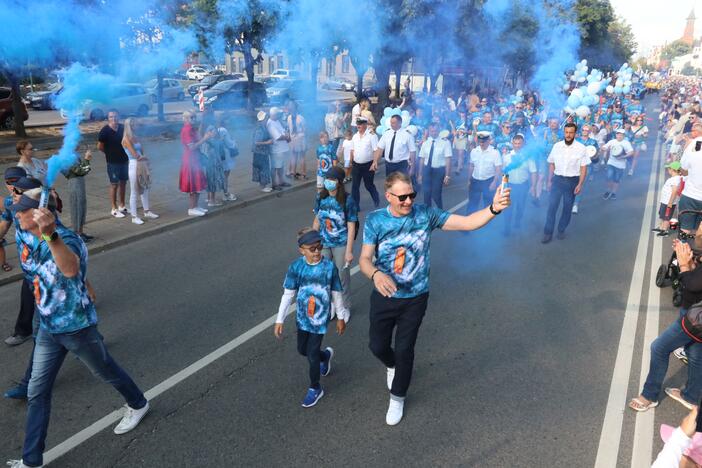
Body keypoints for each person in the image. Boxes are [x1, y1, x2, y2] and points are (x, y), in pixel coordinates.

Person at [6, 188, 149, 468]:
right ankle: (31, 459)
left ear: (41, 214)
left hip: (76, 328)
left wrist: (51, 234)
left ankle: (139, 404)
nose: (18, 213)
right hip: (48, 327)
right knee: (37, 392)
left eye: (23, 209)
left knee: (105, 370)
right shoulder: (31, 237)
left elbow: (70, 269)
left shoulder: (64, 238)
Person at [360, 172, 510, 425]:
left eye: (411, 195)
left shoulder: (425, 215)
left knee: (406, 349)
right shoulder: (376, 221)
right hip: (385, 295)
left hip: (415, 297)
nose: (408, 201)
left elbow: (468, 222)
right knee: (377, 346)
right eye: (402, 197)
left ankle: (397, 397)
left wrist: (494, 208)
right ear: (389, 196)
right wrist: (375, 275)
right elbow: (364, 259)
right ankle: (392, 365)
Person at [274, 228, 349, 408]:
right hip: (303, 317)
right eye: (312, 249)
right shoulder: (296, 267)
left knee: (312, 354)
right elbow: (288, 295)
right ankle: (326, 356)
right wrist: (279, 319)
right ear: (302, 250)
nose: (317, 252)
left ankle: (315, 388)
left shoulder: (329, 267)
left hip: (320, 318)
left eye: (319, 247)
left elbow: (336, 292)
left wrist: (340, 316)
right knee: (303, 350)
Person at [629, 239, 702, 414]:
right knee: (695, 355)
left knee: (659, 347)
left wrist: (684, 265)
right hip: (695, 311)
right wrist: (691, 262)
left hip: (695, 317)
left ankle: (649, 396)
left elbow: (693, 284)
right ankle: (690, 396)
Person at [313, 166, 358, 315]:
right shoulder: (321, 197)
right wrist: (313, 242)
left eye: (332, 179)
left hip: (341, 243)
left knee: (341, 276)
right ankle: (332, 304)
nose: (328, 181)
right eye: (327, 178)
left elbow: (351, 226)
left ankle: (345, 306)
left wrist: (349, 251)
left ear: (339, 181)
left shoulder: (348, 200)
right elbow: (317, 220)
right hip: (324, 242)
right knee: (325, 275)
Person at [542, 122, 589, 243]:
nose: (568, 135)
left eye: (571, 133)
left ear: (575, 133)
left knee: (567, 208)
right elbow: (551, 163)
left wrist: (580, 184)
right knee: (552, 207)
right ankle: (548, 232)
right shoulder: (557, 146)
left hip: (572, 181)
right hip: (557, 180)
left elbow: (584, 167)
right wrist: (549, 180)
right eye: (566, 132)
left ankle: (561, 229)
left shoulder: (581, 148)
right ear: (564, 132)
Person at [122, 118, 158, 225]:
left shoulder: (135, 137)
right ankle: (134, 216)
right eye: (133, 124)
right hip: (134, 164)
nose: (135, 125)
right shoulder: (126, 139)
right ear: (128, 126)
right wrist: (145, 158)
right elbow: (135, 155)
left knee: (145, 188)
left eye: (135, 124)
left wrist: (144, 158)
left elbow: (141, 152)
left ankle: (146, 211)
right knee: (134, 191)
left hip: (141, 164)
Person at [501, 134, 537, 236]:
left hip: (523, 186)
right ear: (512, 143)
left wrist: (533, 186)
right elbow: (504, 172)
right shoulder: (506, 157)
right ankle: (506, 228)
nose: (517, 145)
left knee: (520, 206)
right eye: (515, 143)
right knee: (508, 208)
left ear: (523, 144)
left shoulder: (528, 157)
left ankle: (517, 221)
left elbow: (533, 172)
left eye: (519, 143)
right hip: (510, 186)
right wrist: (504, 186)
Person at [97, 110, 129, 218]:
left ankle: (122, 205)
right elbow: (100, 147)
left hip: (124, 160)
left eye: (115, 116)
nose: (113, 119)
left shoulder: (123, 128)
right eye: (111, 117)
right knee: (114, 185)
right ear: (108, 118)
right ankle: (114, 208)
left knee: (123, 183)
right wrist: (109, 153)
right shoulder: (104, 131)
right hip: (112, 163)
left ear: (118, 117)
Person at [179, 111, 210, 217]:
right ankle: (191, 208)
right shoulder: (187, 130)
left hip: (195, 159)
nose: (194, 119)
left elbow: (198, 138)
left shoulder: (192, 129)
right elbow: (192, 147)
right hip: (190, 160)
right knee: (193, 184)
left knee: (197, 183)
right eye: (191, 117)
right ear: (186, 119)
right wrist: (205, 138)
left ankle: (195, 206)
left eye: (194, 117)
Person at [417, 123, 452, 208]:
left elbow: (448, 160)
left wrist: (447, 175)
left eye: (435, 131)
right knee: (426, 194)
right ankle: (428, 214)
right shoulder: (425, 143)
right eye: (431, 131)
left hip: (438, 171)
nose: (434, 133)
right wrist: (420, 174)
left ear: (439, 130)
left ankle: (440, 213)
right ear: (429, 131)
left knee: (436, 194)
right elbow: (422, 159)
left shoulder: (445, 142)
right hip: (427, 170)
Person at [61, 148, 93, 241]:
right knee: (77, 207)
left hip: (78, 182)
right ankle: (77, 234)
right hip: (75, 183)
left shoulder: (73, 155)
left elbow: (81, 169)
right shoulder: (69, 156)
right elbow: (81, 171)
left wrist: (85, 161)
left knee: (82, 206)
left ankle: (80, 231)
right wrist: (87, 159)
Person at [467, 131, 502, 214]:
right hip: (475, 181)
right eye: (480, 142)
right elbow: (471, 166)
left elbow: (498, 168)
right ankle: (469, 223)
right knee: (472, 203)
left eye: (484, 142)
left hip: (488, 181)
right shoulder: (474, 151)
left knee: (488, 205)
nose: (481, 144)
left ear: (489, 141)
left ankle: (488, 225)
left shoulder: (495, 152)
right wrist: (469, 180)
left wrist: (494, 182)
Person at [350, 117, 380, 210]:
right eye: (357, 124)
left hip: (368, 165)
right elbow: (352, 149)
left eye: (360, 124)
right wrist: (351, 161)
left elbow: (376, 150)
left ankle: (376, 199)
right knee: (355, 186)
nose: (358, 126)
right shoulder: (355, 136)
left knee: (369, 185)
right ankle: (355, 205)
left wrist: (375, 162)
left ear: (365, 125)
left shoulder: (372, 136)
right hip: (356, 165)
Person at [679, 123, 702, 234]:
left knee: (685, 228)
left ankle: (681, 248)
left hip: (690, 195)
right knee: (700, 231)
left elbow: (683, 169)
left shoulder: (693, 146)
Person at [653, 161, 684, 237]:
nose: (668, 170)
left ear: (672, 170)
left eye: (668, 169)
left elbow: (674, 191)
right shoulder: (674, 178)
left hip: (668, 202)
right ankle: (661, 228)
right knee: (662, 215)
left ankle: (665, 231)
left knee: (666, 217)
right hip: (665, 201)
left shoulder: (676, 179)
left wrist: (670, 202)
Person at [602, 128, 634, 201]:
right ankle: (608, 191)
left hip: (621, 165)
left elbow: (631, 152)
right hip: (611, 162)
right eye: (618, 134)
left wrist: (623, 156)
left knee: (616, 179)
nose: (619, 136)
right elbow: (603, 147)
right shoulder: (612, 141)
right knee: (609, 177)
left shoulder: (626, 143)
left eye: (621, 135)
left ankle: (613, 193)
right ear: (616, 135)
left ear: (624, 136)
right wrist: (604, 148)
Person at [201, 124, 228, 207]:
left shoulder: (206, 141)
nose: (215, 133)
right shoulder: (210, 141)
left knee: (209, 181)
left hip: (209, 164)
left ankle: (209, 198)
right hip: (213, 164)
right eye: (213, 132)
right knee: (212, 182)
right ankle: (212, 201)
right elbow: (214, 150)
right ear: (209, 132)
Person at [267, 107, 292, 190]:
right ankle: (274, 184)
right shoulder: (270, 123)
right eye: (278, 114)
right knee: (275, 167)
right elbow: (277, 137)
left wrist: (286, 135)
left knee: (280, 166)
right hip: (276, 150)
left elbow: (282, 131)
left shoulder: (276, 121)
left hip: (281, 149)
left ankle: (281, 181)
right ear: (274, 114)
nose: (279, 115)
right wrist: (287, 137)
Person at [252, 110, 273, 193]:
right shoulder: (259, 129)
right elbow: (256, 142)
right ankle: (263, 186)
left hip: (261, 152)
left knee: (263, 168)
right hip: (260, 153)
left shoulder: (262, 127)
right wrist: (267, 142)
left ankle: (263, 185)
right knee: (263, 168)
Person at [287, 101, 307, 180]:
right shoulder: (301, 118)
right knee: (302, 157)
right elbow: (305, 130)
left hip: (293, 139)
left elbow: (288, 129)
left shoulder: (288, 117)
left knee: (293, 156)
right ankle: (303, 174)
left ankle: (293, 172)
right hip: (300, 138)